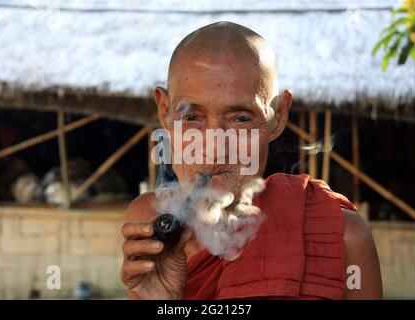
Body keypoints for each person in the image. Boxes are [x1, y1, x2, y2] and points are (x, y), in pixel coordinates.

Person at [120, 21, 382, 300]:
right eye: (192, 117)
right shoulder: (151, 226)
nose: (215, 147)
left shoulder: (341, 238)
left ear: (278, 116)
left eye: (241, 119)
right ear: (165, 111)